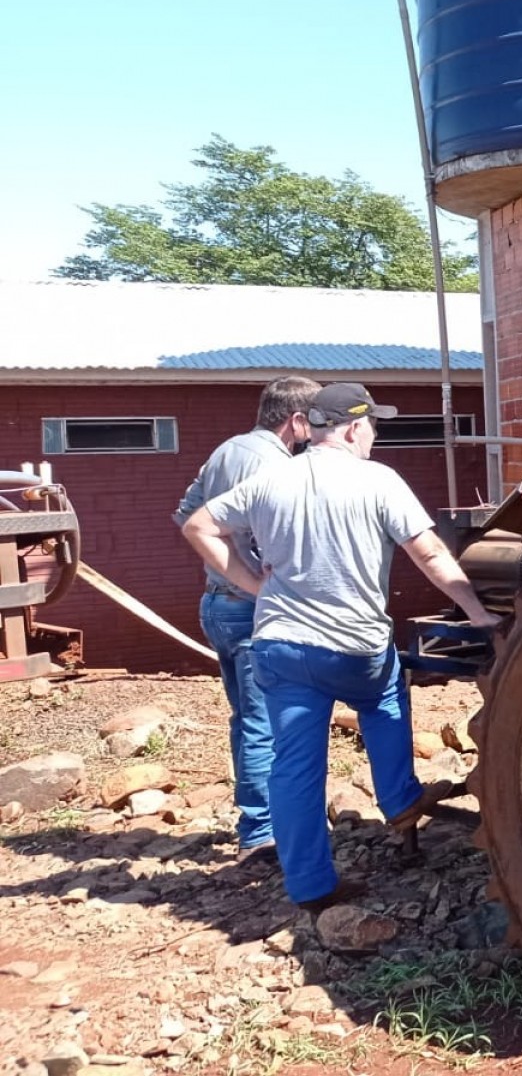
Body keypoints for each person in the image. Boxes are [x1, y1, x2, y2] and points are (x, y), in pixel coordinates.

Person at [181, 382, 501, 910]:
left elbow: (198, 525)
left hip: (281, 645)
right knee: (385, 693)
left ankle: (309, 886)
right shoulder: (379, 480)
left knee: (295, 766)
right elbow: (430, 555)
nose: (374, 434)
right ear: (353, 427)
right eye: (373, 424)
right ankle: (399, 798)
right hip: (353, 648)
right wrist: (477, 611)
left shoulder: (270, 478)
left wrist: (253, 584)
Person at [173, 375, 321, 866]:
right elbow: (269, 535)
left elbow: (186, 515)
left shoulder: (225, 452)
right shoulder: (273, 466)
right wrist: (256, 577)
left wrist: (226, 564)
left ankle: (256, 820)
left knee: (246, 720)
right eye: (314, 420)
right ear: (296, 421)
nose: (318, 431)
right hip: (252, 609)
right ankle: (260, 834)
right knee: (264, 724)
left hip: (215, 605)